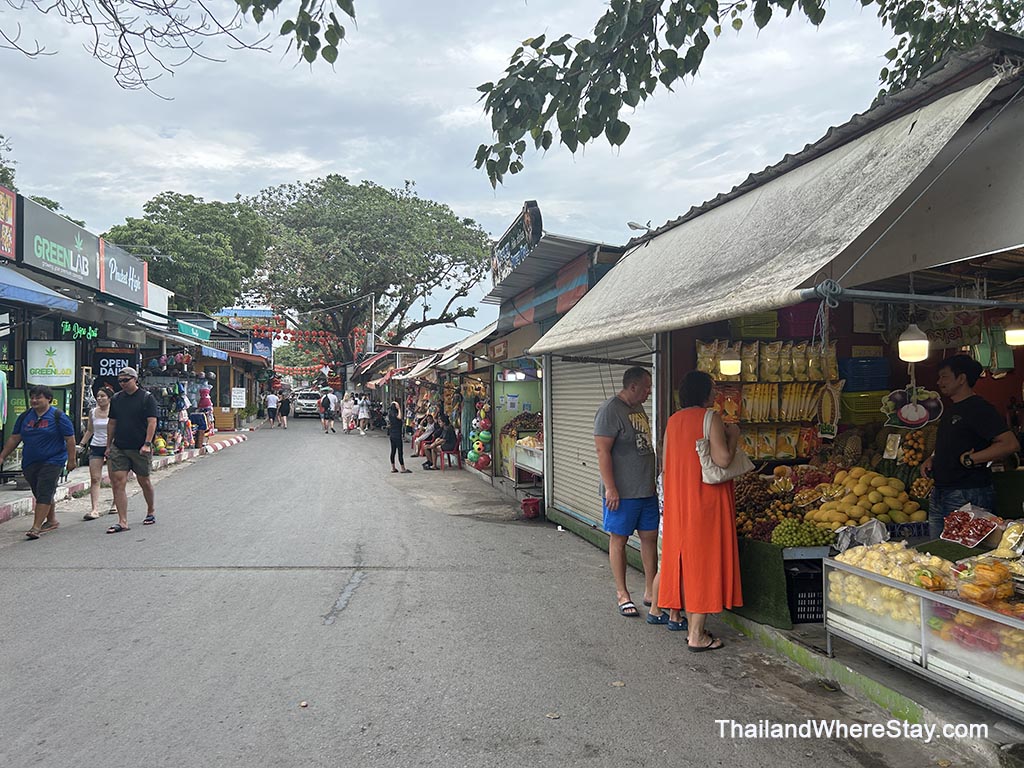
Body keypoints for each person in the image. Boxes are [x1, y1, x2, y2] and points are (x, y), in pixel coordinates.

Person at [660, 370, 742, 651]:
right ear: (705, 393)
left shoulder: (673, 421)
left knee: (682, 560)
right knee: (705, 563)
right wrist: (733, 437)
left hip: (678, 500)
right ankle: (696, 635)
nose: (715, 393)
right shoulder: (711, 418)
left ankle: (680, 617)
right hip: (706, 501)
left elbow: (665, 465)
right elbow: (722, 459)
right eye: (713, 388)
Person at [922, 354, 1020, 539]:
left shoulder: (979, 409)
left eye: (944, 376)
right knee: (937, 551)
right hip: (941, 492)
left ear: (961, 378)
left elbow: (1009, 443)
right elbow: (955, 442)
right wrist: (933, 459)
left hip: (967, 493)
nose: (939, 382)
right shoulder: (952, 408)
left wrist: (972, 459)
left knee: (962, 552)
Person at [593, 366, 658, 618]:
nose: (649, 393)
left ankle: (651, 591)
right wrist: (611, 488)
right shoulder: (610, 410)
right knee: (619, 539)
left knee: (649, 537)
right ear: (633, 387)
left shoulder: (637, 408)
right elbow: (602, 452)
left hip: (645, 488)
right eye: (646, 388)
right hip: (622, 491)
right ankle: (622, 593)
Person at [0, 385, 76, 539]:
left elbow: (70, 439)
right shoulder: (25, 417)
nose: (34, 400)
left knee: (45, 489)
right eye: (32, 397)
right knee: (40, 491)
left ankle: (35, 527)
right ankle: (52, 520)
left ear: (48, 399)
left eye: (38, 397)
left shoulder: (58, 416)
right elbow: (15, 437)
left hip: (53, 459)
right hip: (30, 461)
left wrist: (71, 460)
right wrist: (2, 456)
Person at [106, 367, 158, 533]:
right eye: (120, 381)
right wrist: (108, 446)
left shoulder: (146, 398)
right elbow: (112, 423)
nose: (123, 384)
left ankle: (150, 510)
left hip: (139, 447)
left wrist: (147, 443)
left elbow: (152, 422)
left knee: (144, 481)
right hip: (120, 446)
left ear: (135, 379)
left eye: (126, 380)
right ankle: (122, 520)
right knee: (118, 481)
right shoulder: (116, 399)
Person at [79, 386, 113, 520]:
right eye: (98, 396)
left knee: (114, 478)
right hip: (96, 446)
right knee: (95, 478)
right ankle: (94, 509)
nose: (99, 398)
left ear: (109, 398)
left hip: (111, 446)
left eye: (103, 396)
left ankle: (115, 504)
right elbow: (90, 430)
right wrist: (81, 444)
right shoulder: (93, 412)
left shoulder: (115, 412)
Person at [388, 401, 412, 473]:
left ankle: (393, 467)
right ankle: (403, 468)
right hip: (397, 435)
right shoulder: (395, 414)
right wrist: (399, 409)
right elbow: (400, 417)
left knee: (393, 451)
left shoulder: (390, 414)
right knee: (400, 452)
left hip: (392, 435)